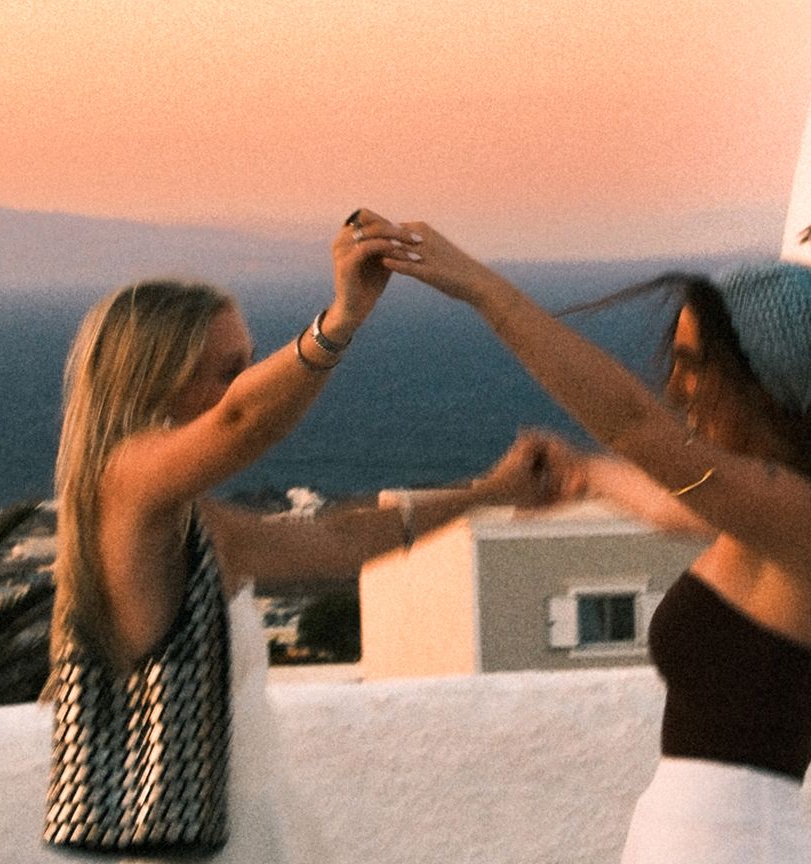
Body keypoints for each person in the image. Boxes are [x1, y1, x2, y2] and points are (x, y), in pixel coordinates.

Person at [384, 223, 811, 864]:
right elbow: (669, 502)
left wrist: (482, 289)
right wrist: (584, 475)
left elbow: (634, 426)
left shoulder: (804, 513)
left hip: (737, 843)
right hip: (698, 838)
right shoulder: (768, 511)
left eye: (693, 364)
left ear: (759, 377)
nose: (676, 389)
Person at [42, 209, 558, 861]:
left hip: (246, 832)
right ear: (157, 380)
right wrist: (340, 321)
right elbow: (242, 421)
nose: (246, 381)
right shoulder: (122, 481)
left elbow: (337, 542)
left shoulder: (190, 524)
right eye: (228, 369)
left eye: (250, 363)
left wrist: (491, 492)